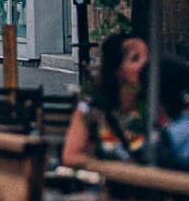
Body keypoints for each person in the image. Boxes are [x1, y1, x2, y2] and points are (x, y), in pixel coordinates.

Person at [64, 33, 150, 167]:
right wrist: (111, 167)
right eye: (135, 58)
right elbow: (70, 156)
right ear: (117, 67)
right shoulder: (92, 106)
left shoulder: (153, 104)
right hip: (105, 184)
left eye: (148, 57)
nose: (144, 63)